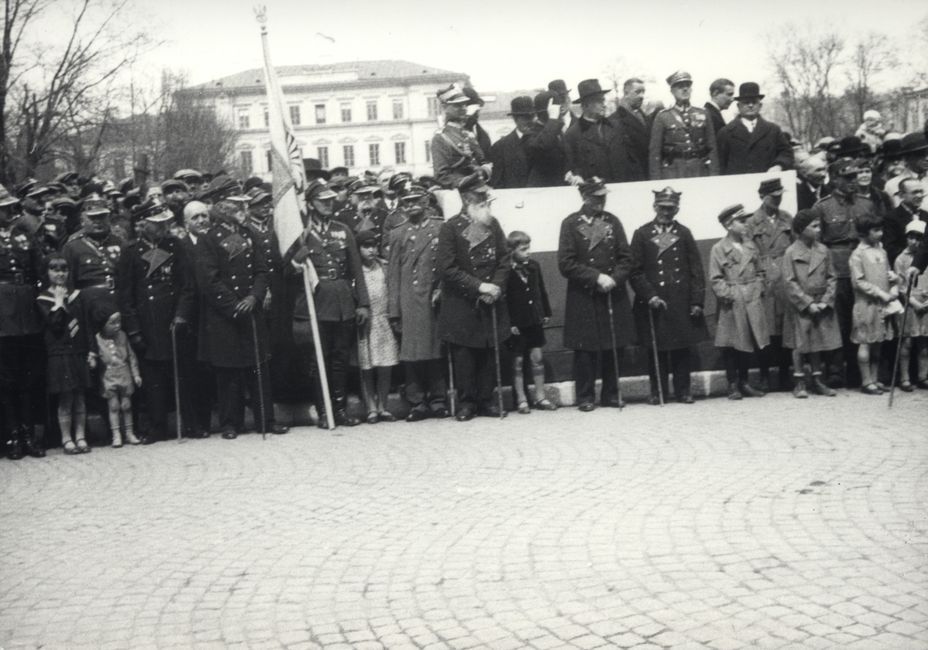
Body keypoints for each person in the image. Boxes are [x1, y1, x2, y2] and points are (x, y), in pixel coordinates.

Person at [197, 183, 287, 438]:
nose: (243, 209)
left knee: (259, 368)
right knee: (229, 373)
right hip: (226, 315)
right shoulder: (208, 239)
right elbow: (209, 280)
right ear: (223, 207)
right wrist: (233, 305)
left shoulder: (250, 234)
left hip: (251, 310)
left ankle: (266, 421)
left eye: (243, 204)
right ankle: (230, 423)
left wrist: (253, 297)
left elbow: (262, 271)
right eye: (237, 204)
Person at [290, 180, 370, 428]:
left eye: (330, 199)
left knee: (340, 359)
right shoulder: (300, 233)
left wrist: (363, 303)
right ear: (310, 203)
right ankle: (324, 410)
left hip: (342, 301)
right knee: (319, 360)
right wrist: (296, 260)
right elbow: (286, 271)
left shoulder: (343, 230)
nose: (327, 203)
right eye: (321, 200)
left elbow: (356, 269)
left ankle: (340, 409)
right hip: (316, 303)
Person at [117, 198, 196, 444]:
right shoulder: (130, 252)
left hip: (174, 322)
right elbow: (125, 295)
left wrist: (182, 314)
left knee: (182, 376)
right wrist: (134, 330)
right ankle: (156, 426)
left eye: (164, 222)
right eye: (156, 223)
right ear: (142, 224)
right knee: (152, 381)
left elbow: (187, 286)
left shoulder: (175, 246)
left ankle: (191, 425)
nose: (162, 227)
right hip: (147, 326)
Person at [436, 172, 511, 420]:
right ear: (467, 199)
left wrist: (496, 287)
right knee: (465, 355)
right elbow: (447, 269)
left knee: (490, 351)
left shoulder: (493, 224)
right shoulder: (450, 228)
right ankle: (467, 402)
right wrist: (479, 287)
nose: (485, 199)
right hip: (463, 303)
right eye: (480, 196)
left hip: (491, 300)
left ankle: (486, 399)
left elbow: (504, 259)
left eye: (485, 195)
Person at [557, 177, 634, 411]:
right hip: (585, 295)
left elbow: (626, 258)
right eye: (596, 197)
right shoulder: (570, 224)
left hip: (612, 291)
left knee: (614, 345)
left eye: (603, 197)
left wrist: (614, 278)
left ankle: (611, 394)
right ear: (584, 197)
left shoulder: (613, 222)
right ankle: (585, 396)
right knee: (585, 349)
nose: (601, 201)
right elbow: (566, 263)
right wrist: (596, 277)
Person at [629, 187, 708, 404]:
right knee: (657, 348)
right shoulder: (642, 234)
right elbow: (634, 271)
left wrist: (697, 301)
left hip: (680, 301)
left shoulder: (684, 233)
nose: (666, 212)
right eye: (663, 208)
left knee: (682, 347)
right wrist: (650, 295)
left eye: (671, 209)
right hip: (653, 301)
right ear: (654, 207)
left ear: (677, 209)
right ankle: (658, 392)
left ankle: (684, 391)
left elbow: (696, 270)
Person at [809, 159, 876, 387]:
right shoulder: (822, 207)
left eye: (855, 177)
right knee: (836, 320)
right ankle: (836, 370)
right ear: (834, 178)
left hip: (864, 269)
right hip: (836, 269)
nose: (853, 182)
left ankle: (860, 372)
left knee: (862, 318)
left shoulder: (866, 204)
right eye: (847, 177)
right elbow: (817, 244)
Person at [386, 183, 449, 422]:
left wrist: (442, 289)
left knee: (435, 350)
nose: (411, 205)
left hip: (433, 298)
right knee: (411, 353)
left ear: (425, 201)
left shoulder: (439, 228)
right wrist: (394, 310)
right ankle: (417, 402)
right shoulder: (398, 233)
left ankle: (438, 400)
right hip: (409, 300)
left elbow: (446, 265)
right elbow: (393, 274)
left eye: (415, 200)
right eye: (406, 202)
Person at [0, 186, 45, 459]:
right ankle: (13, 435)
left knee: (28, 376)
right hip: (2, 312)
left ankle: (29, 434)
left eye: (8, 207)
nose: (7, 212)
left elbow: (38, 267)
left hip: (27, 308)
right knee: (6, 378)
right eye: (2, 208)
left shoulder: (23, 234)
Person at [709, 204, 770, 399]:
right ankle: (732, 384)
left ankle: (744, 382)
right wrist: (730, 295)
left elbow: (761, 271)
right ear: (728, 225)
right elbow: (715, 278)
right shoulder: (719, 249)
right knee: (731, 345)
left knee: (748, 342)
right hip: (732, 301)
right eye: (741, 221)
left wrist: (758, 287)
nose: (746, 225)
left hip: (751, 298)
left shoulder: (751, 245)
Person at [780, 210, 840, 398]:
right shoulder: (791, 253)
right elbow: (789, 282)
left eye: (819, 225)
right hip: (801, 306)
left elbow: (832, 277)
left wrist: (825, 301)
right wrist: (807, 303)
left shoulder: (823, 250)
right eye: (813, 226)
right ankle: (799, 382)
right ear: (800, 230)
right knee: (800, 344)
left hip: (820, 303)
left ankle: (817, 380)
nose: (818, 229)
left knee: (817, 343)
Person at [37, 255, 94, 453]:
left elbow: (86, 325)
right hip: (59, 352)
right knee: (65, 398)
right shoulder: (43, 299)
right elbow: (55, 325)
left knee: (79, 396)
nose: (60, 273)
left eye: (64, 269)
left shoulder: (78, 295)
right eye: (54, 269)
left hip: (78, 350)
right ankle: (66, 438)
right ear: (47, 272)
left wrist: (91, 351)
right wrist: (59, 302)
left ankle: (80, 436)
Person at [746, 178, 793, 390]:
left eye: (780, 195)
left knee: (786, 328)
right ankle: (764, 376)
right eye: (773, 197)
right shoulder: (751, 223)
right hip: (763, 278)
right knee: (763, 330)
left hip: (784, 277)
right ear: (762, 197)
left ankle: (785, 374)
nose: (777, 200)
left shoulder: (787, 218)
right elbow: (747, 252)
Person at [505, 230, 556, 413]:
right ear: (512, 251)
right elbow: (504, 299)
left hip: (534, 320)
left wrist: (546, 312)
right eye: (523, 249)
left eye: (529, 248)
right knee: (518, 362)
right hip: (517, 324)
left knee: (537, 358)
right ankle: (521, 399)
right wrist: (509, 323)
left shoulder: (534, 266)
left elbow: (541, 290)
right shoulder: (506, 270)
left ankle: (540, 397)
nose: (528, 252)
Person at [849, 215, 898, 394]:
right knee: (865, 341)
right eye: (876, 230)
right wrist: (879, 293)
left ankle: (875, 378)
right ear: (864, 233)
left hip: (883, 304)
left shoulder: (882, 252)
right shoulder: (858, 255)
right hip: (866, 304)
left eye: (881, 230)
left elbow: (886, 272)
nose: (880, 234)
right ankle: (866, 380)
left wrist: (893, 280)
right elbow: (859, 282)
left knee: (879, 342)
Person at [355, 229, 399, 423]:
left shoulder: (384, 267)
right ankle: (371, 408)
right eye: (366, 247)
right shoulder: (355, 271)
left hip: (383, 321)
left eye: (373, 246)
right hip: (366, 323)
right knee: (367, 366)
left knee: (385, 365)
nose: (371, 250)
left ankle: (383, 406)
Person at [649, 71, 719, 179]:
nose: (685, 89)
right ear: (672, 91)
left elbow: (712, 148)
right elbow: (655, 152)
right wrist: (656, 180)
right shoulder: (663, 116)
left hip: (699, 170)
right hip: (674, 171)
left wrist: (714, 175)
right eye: (680, 86)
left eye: (688, 86)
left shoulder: (703, 113)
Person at [564, 79, 633, 184]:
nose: (604, 105)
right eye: (599, 101)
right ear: (585, 105)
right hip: (594, 193)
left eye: (603, 100)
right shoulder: (572, 135)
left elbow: (631, 162)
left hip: (622, 189)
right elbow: (573, 168)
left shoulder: (617, 127)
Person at [716, 82, 793, 175]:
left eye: (754, 102)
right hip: (737, 185)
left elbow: (786, 153)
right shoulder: (726, 132)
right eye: (746, 102)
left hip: (767, 184)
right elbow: (720, 163)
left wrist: (778, 165)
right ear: (738, 106)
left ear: (760, 105)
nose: (750, 105)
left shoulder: (773, 130)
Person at [92, 308, 142, 447]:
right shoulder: (97, 339)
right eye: (112, 323)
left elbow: (131, 356)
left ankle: (129, 432)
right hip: (108, 376)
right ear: (103, 324)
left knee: (126, 405)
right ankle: (116, 434)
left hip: (124, 373)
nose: (117, 325)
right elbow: (95, 356)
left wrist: (136, 374)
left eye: (119, 322)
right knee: (113, 406)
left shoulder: (123, 336)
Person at [431, 84, 490, 189]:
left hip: (480, 189)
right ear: (445, 107)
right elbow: (442, 177)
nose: (463, 108)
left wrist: (484, 169)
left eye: (464, 104)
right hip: (459, 196)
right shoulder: (441, 138)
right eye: (457, 105)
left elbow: (482, 161)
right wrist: (470, 179)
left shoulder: (468, 134)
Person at [893, 221, 928, 390]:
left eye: (919, 238)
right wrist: (912, 301)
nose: (915, 242)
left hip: (926, 303)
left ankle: (923, 376)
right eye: (911, 237)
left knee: (924, 343)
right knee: (906, 342)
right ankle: (905, 378)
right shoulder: (901, 259)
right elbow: (900, 286)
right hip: (910, 304)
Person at [489, 96, 537, 189]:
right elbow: (497, 182)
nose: (529, 121)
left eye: (531, 116)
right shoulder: (500, 147)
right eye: (524, 117)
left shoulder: (544, 141)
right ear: (515, 118)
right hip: (514, 199)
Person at [526, 90, 569, 187]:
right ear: (547, 113)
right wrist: (553, 119)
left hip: (559, 189)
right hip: (541, 192)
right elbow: (543, 146)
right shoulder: (530, 134)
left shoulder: (557, 131)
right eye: (557, 109)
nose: (561, 111)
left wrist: (569, 171)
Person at [612, 78, 651, 181]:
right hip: (631, 178)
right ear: (626, 93)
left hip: (647, 175)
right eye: (638, 92)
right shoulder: (614, 120)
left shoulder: (645, 117)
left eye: (643, 92)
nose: (642, 96)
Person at [883, 178, 927, 265]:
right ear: (901, 195)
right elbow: (890, 248)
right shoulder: (891, 218)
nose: (919, 195)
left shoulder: (926, 215)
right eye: (914, 192)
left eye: (921, 191)